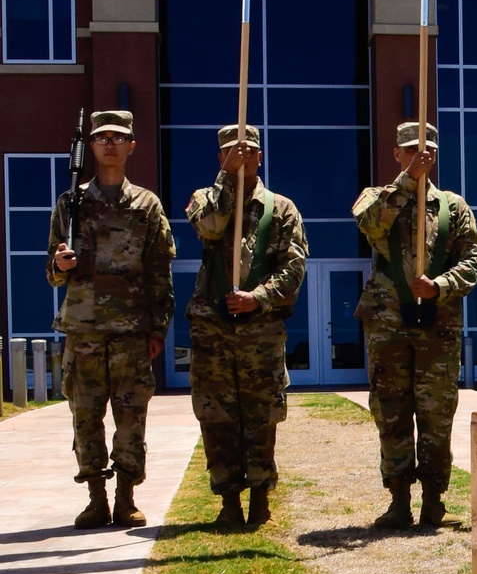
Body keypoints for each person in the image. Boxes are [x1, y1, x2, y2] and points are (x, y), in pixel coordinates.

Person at [46, 108, 175, 529]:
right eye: (102, 138)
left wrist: (158, 328)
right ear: (92, 147)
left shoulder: (146, 204)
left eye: (118, 138)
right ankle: (95, 497)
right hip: (82, 328)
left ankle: (125, 497)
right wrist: (59, 266)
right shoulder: (72, 202)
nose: (110, 144)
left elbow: (159, 271)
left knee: (130, 416)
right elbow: (51, 273)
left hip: (130, 332)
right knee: (85, 415)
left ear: (132, 146)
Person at [353, 121, 477, 529]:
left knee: (436, 413)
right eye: (410, 149)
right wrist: (408, 181)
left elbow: (476, 257)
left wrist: (441, 285)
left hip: (438, 325)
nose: (419, 156)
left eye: (426, 150)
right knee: (391, 412)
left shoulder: (452, 206)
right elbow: (370, 225)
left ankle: (433, 500)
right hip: (388, 323)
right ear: (397, 154)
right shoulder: (377, 197)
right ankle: (397, 500)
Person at [185, 125, 307, 530]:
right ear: (220, 159)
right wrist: (227, 180)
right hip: (213, 330)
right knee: (216, 415)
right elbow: (210, 227)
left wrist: (259, 297)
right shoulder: (206, 198)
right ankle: (228, 501)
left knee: (261, 415)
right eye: (232, 153)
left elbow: (294, 267)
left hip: (261, 330)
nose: (242, 158)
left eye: (250, 152)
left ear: (261, 156)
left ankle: (259, 498)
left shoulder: (282, 209)